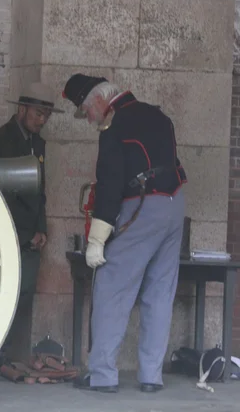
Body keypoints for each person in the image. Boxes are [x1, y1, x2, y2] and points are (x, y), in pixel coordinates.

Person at [62, 73, 187, 393]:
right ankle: (151, 376)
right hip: (174, 206)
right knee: (160, 293)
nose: (88, 119)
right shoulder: (158, 115)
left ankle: (103, 375)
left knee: (111, 289)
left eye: (86, 111)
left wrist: (96, 241)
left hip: (142, 206)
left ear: (99, 101)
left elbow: (110, 186)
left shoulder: (113, 124)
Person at [0, 81, 64, 368]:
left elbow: (40, 190)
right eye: (38, 113)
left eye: (46, 115)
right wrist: (24, 232)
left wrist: (41, 229)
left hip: (28, 232)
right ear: (22, 109)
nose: (42, 120)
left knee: (22, 293)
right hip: (0, 228)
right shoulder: (2, 140)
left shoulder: (38, 144)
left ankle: (9, 355)